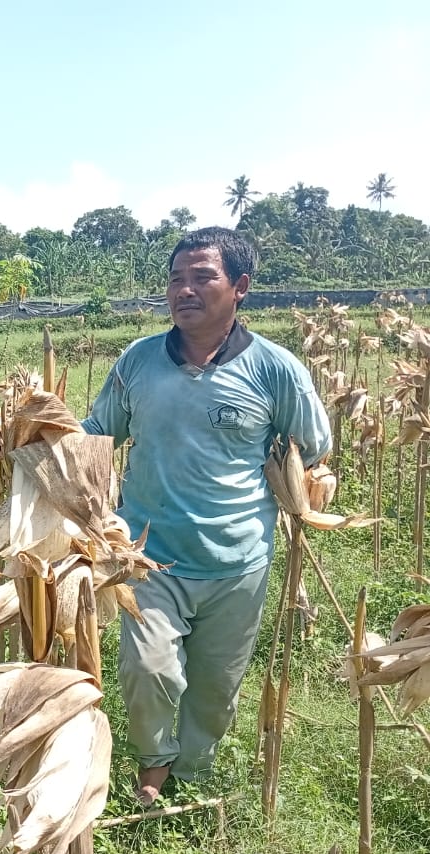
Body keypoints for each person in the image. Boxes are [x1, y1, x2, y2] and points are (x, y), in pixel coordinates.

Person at [82, 226, 331, 805]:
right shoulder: (137, 363)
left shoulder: (276, 369)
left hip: (238, 560)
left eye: (202, 278)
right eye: (175, 279)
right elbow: (98, 436)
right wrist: (40, 444)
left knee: (215, 686)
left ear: (240, 287)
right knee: (149, 670)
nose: (184, 290)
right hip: (148, 557)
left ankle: (194, 777)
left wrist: (287, 479)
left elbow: (312, 444)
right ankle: (154, 764)